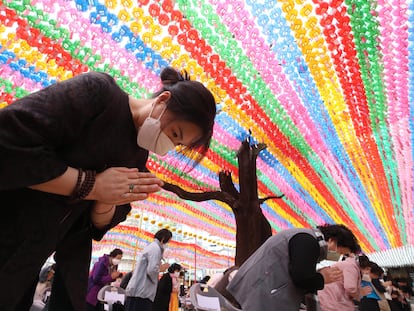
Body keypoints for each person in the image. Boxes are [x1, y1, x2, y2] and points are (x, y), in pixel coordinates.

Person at [0, 67, 216, 311]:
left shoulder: (136, 159)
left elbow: (96, 225)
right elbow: (9, 143)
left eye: (176, 143)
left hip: (31, 257)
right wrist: (92, 186)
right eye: (175, 132)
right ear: (162, 100)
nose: (167, 143)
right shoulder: (98, 94)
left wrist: (108, 199)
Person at [226, 224, 360, 311]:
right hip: (262, 294)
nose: (337, 256)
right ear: (332, 240)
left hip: (259, 292)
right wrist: (322, 278)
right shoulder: (308, 241)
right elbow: (301, 278)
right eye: (340, 252)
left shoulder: (304, 237)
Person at [125, 229, 172, 311]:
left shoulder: (152, 247)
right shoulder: (155, 249)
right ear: (163, 238)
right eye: (168, 241)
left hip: (138, 291)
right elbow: (151, 270)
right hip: (141, 292)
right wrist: (161, 268)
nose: (167, 244)